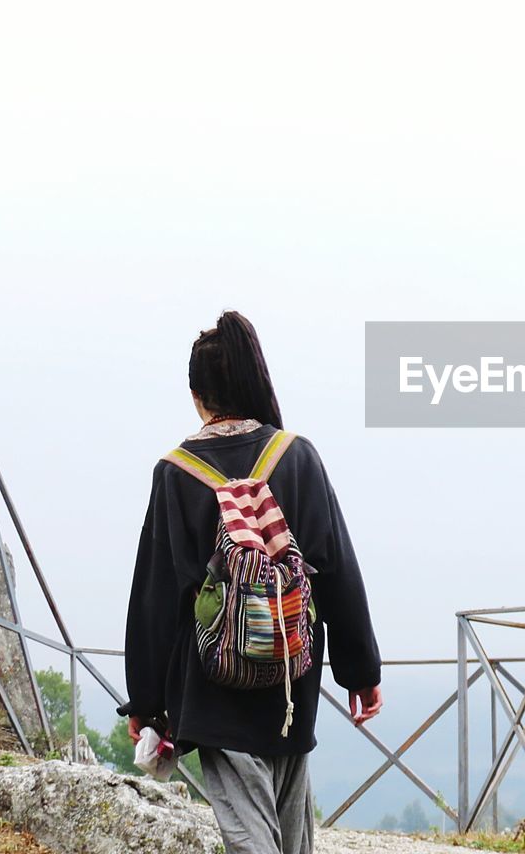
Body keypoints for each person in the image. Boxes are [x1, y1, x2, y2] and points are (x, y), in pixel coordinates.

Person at [118, 310, 383, 854]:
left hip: (217, 689)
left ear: (198, 395)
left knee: (251, 840)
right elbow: (336, 569)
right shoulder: (296, 456)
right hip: (292, 676)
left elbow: (155, 598)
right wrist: (360, 672)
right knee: (290, 836)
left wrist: (146, 702)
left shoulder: (176, 473)